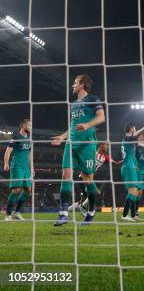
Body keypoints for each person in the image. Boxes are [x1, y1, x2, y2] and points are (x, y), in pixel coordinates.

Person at [52, 75, 105, 226]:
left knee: (88, 179)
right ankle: (63, 213)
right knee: (66, 175)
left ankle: (92, 210)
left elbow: (101, 117)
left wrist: (87, 125)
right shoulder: (73, 103)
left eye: (75, 82)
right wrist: (63, 136)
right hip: (71, 143)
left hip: (87, 145)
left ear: (82, 84)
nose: (73, 85)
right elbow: (73, 125)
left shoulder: (93, 99)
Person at [120, 123, 144, 221]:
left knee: (135, 192)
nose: (136, 130)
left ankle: (133, 215)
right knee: (133, 191)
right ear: (130, 129)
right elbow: (135, 137)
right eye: (135, 129)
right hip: (128, 168)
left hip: (131, 167)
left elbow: (139, 143)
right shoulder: (127, 138)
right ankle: (125, 215)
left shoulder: (129, 140)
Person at [3, 119, 33, 221]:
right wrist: (6, 163)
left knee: (28, 190)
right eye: (29, 125)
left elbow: (29, 155)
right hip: (17, 166)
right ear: (23, 125)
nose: (30, 127)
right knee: (16, 190)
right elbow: (8, 151)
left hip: (26, 168)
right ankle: (8, 214)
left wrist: (31, 168)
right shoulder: (16, 137)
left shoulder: (29, 139)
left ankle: (17, 213)